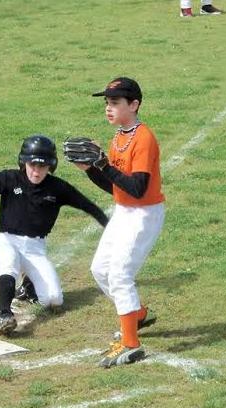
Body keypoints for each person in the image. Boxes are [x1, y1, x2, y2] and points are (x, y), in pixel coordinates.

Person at [0, 135, 108, 336]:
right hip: (8, 242)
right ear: (24, 162)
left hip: (35, 249)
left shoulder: (58, 188)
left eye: (43, 166)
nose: (37, 170)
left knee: (54, 299)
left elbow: (88, 206)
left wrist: (108, 226)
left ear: (51, 166)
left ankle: (27, 288)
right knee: (9, 265)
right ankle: (4, 313)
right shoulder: (10, 178)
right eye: (33, 164)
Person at [73, 77, 165, 368]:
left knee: (120, 275)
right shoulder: (119, 137)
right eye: (107, 103)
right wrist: (90, 169)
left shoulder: (143, 138)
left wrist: (103, 164)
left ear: (134, 104)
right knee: (100, 269)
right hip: (124, 212)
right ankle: (136, 315)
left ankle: (130, 344)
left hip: (144, 214)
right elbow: (116, 187)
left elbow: (137, 187)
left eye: (115, 103)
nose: (108, 108)